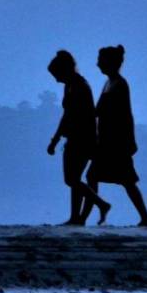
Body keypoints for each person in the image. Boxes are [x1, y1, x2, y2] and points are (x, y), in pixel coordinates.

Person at [86, 45, 147, 227]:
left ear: (110, 62)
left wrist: (130, 140)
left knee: (126, 181)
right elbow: (98, 111)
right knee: (95, 176)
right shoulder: (110, 83)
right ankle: (88, 215)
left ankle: (145, 218)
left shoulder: (119, 84)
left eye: (100, 60)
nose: (97, 64)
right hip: (107, 140)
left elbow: (126, 115)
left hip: (116, 142)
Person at [46, 50, 111, 225]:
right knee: (75, 178)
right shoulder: (71, 85)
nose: (55, 79)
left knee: (71, 179)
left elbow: (70, 116)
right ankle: (76, 217)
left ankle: (101, 204)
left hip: (82, 138)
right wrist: (57, 139)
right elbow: (66, 115)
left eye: (56, 74)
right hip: (77, 137)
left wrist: (55, 140)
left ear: (64, 70)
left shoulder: (79, 86)